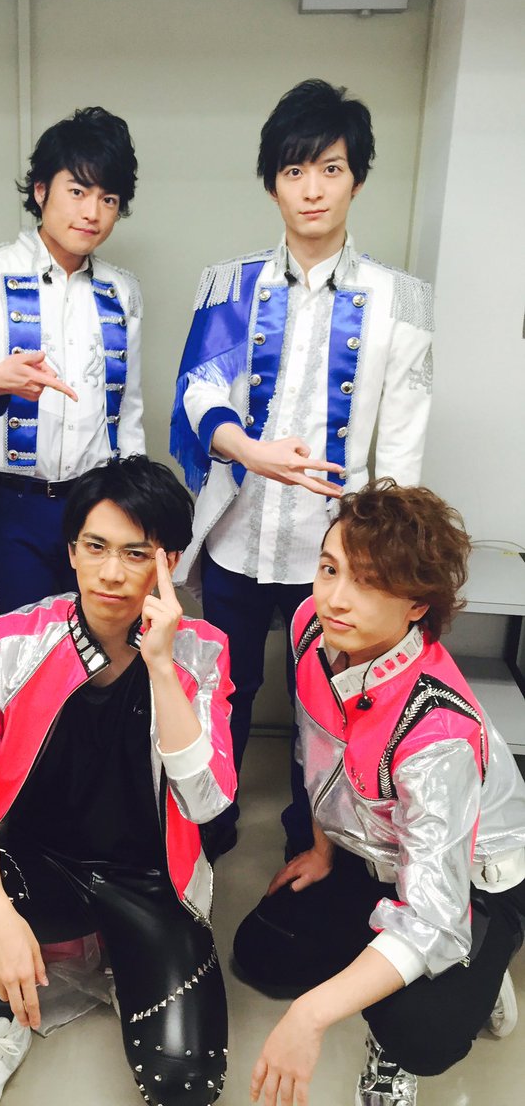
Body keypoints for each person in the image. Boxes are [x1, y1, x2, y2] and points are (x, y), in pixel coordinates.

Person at [170, 79, 435, 855]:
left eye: (330, 168)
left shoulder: (402, 299)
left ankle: (313, 838)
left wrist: (381, 556)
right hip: (236, 533)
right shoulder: (229, 284)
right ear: (272, 184)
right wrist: (248, 449)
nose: (312, 189)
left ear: (357, 178)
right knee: (222, 686)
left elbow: (403, 448)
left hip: (337, 555)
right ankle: (210, 820)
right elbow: (198, 391)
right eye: (294, 171)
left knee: (328, 702)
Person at [0, 456, 234, 1106]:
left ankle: (122, 962)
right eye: (95, 547)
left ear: (169, 563)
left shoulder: (201, 652)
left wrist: (162, 666)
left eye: (136, 553)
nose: (112, 572)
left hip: (150, 881)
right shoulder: (6, 645)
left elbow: (207, 800)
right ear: (71, 551)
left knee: (185, 1083)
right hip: (40, 862)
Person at [232, 480, 525, 1106]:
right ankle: (412, 959)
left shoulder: (437, 736)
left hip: (474, 877)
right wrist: (322, 850)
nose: (336, 598)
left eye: (368, 583)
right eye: (329, 568)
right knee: (263, 955)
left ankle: (481, 964)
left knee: (418, 1028)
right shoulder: (313, 629)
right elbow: (318, 747)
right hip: (377, 849)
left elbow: (431, 913)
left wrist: (311, 1017)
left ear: (417, 605)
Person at [0, 105, 144, 645]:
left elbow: (129, 413)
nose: (92, 213)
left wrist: (140, 512)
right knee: (24, 655)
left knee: (100, 652)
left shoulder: (123, 290)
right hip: (12, 506)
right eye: (77, 191)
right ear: (41, 190)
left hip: (99, 509)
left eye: (108, 199)